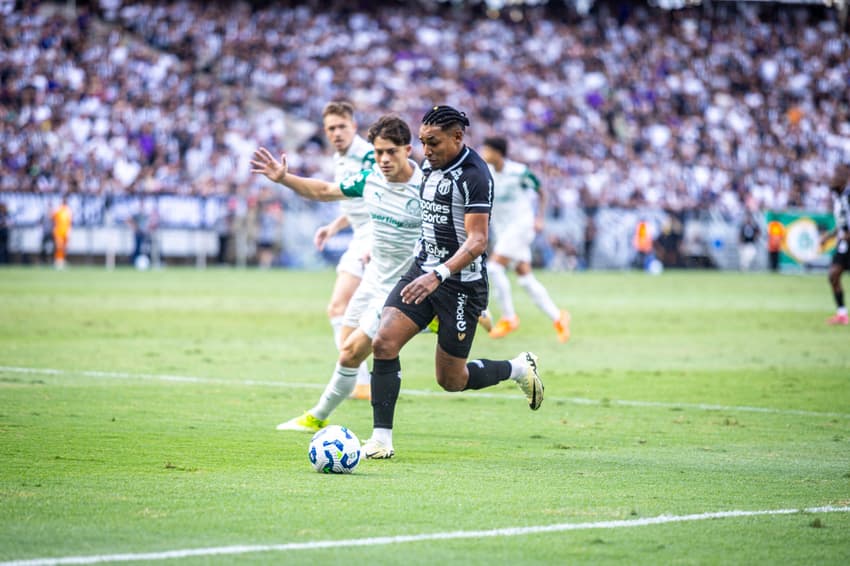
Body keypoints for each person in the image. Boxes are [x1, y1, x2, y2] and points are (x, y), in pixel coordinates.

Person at [361, 105, 544, 460]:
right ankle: (381, 440)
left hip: (461, 285)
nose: (426, 150)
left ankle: (519, 367)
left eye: (433, 142)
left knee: (451, 380)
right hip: (422, 271)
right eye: (422, 142)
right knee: (383, 342)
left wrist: (439, 274)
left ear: (457, 137)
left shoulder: (475, 175)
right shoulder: (431, 166)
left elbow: (478, 240)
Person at [251, 115, 423, 432]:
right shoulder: (370, 179)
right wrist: (284, 178)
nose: (384, 159)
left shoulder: (426, 189)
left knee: (350, 354)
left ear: (408, 150)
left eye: (391, 152)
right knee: (345, 341)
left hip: (400, 287)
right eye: (379, 152)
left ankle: (317, 417)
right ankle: (425, 326)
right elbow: (324, 190)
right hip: (373, 278)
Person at [480, 136, 571, 342]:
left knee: (494, 268)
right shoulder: (486, 173)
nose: (484, 154)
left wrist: (540, 218)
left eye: (487, 150)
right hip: (503, 230)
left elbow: (542, 192)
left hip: (521, 225)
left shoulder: (519, 172)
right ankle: (559, 317)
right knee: (525, 278)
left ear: (498, 153)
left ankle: (509, 317)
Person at [315, 101, 376, 400]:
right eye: (331, 128)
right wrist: (333, 227)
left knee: (347, 308)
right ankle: (360, 382)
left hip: (377, 233)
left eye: (342, 127)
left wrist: (376, 242)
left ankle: (358, 380)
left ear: (354, 127)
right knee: (344, 309)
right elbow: (355, 203)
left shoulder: (369, 155)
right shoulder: (339, 159)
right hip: (360, 234)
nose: (337, 133)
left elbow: (384, 198)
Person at [822, 164, 850, 325]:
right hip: (844, 243)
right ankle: (842, 314)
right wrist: (830, 235)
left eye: (837, 175)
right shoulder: (838, 197)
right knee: (833, 275)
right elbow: (842, 223)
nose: (833, 178)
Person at [51, 196, 72, 269]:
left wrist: (69, 231)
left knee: (64, 248)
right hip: (59, 232)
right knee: (59, 247)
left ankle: (62, 261)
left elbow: (69, 223)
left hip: (65, 232)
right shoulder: (58, 210)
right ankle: (58, 261)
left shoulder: (68, 210)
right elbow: (52, 218)